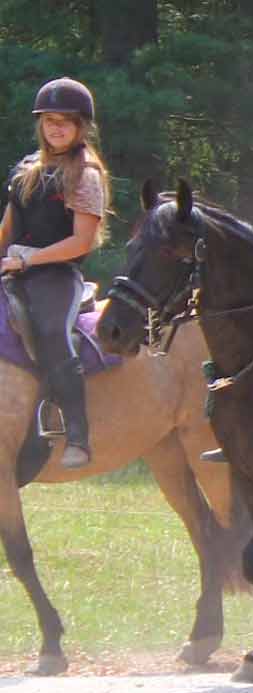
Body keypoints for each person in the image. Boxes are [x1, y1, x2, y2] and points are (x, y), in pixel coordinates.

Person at [0, 78, 108, 469]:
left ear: (81, 127)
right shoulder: (27, 169)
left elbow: (82, 241)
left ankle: (78, 434)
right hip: (15, 268)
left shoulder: (85, 175)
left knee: (51, 332)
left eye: (65, 121)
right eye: (49, 120)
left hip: (57, 276)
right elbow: (7, 230)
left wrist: (29, 260)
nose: (56, 128)